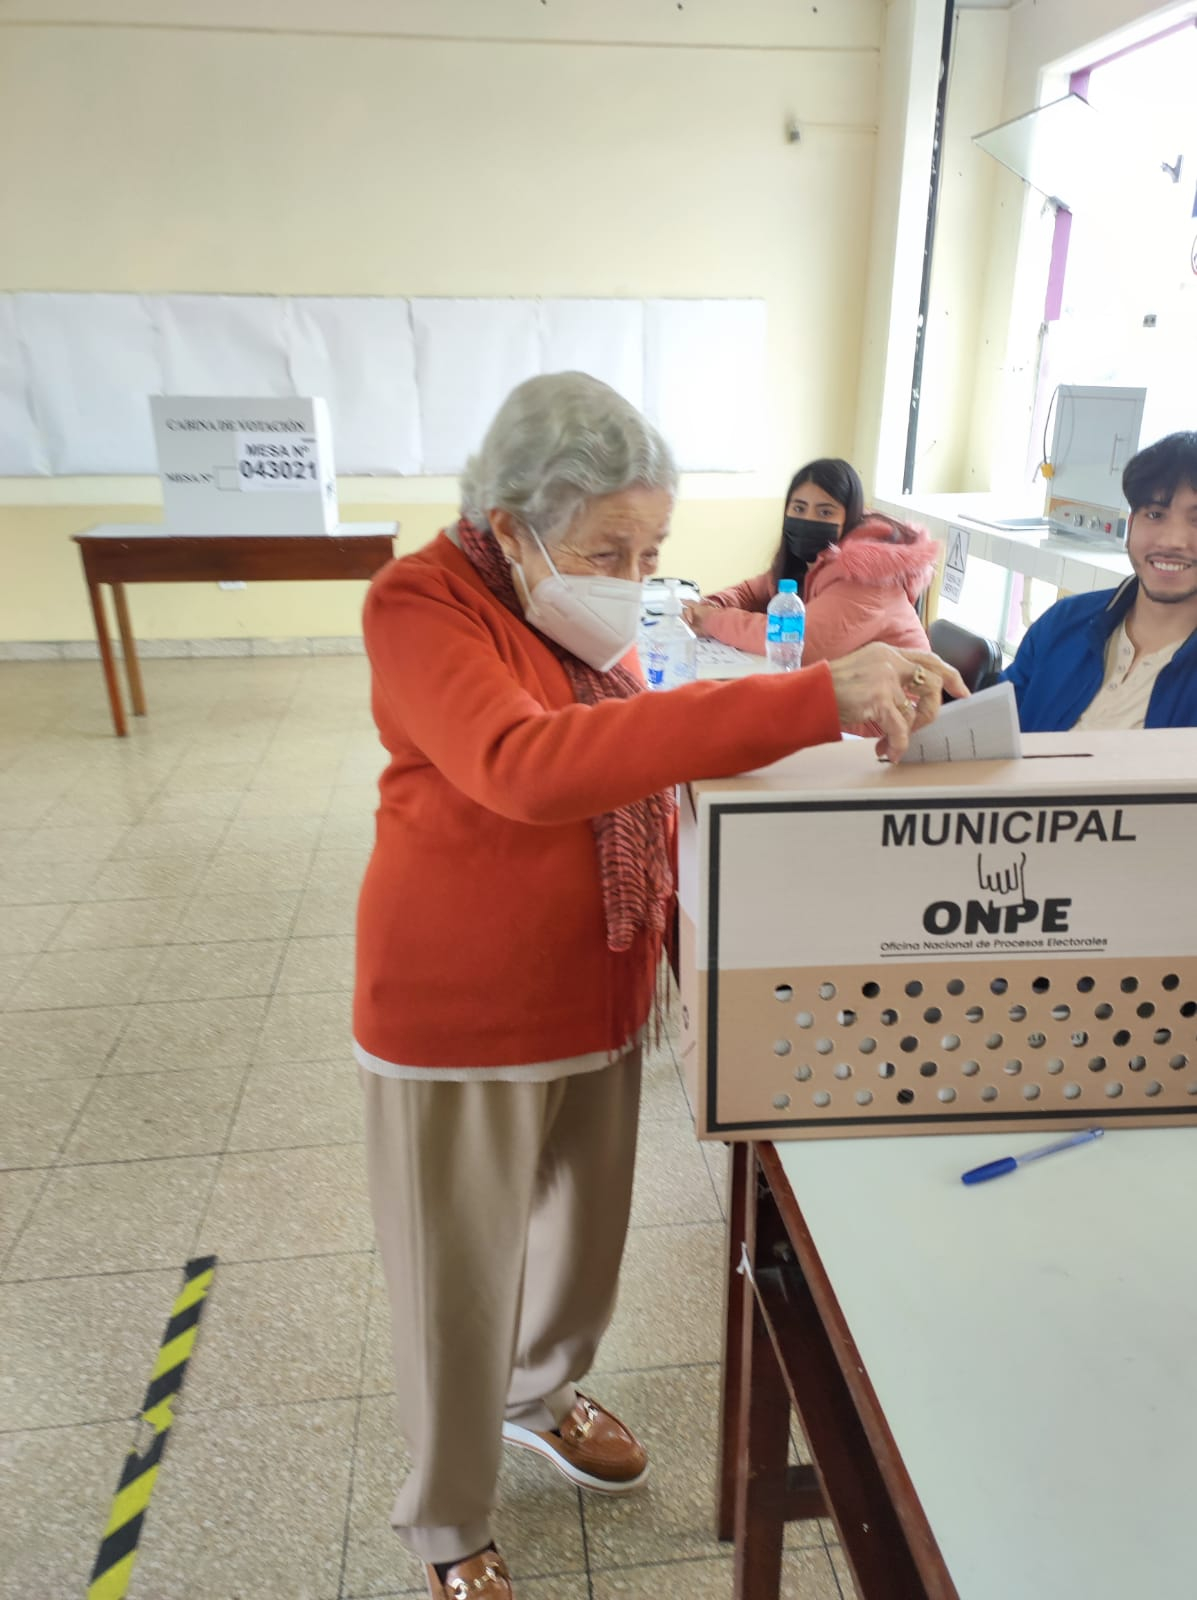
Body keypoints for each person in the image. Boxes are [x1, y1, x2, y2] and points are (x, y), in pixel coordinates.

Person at [353, 373, 964, 1600]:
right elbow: (527, 765)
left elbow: (644, 727)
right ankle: (447, 1518)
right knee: (456, 1274)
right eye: (606, 548)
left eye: (651, 547)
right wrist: (802, 698)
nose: (632, 573)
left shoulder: (570, 604)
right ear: (514, 526)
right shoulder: (421, 603)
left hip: (605, 973)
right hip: (461, 1004)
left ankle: (542, 1393)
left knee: (580, 1245)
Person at [1004, 431, 1197, 730]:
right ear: (1131, 525)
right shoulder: (1063, 623)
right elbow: (989, 729)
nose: (1172, 541)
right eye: (1155, 514)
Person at [683, 457, 937, 662]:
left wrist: (711, 620)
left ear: (849, 519)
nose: (808, 519)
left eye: (825, 511)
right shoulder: (811, 562)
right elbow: (752, 591)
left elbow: (796, 641)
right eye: (799, 508)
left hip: (895, 715)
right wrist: (709, 605)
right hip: (855, 698)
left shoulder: (870, 576)